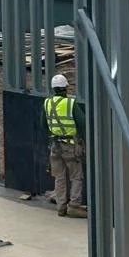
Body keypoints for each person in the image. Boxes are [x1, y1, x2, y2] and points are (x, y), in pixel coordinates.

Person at [44, 72, 86, 218]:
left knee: (59, 177)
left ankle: (61, 207)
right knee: (76, 176)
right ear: (65, 88)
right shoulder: (70, 103)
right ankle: (74, 205)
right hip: (69, 145)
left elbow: (44, 124)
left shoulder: (47, 103)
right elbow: (83, 123)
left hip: (55, 145)